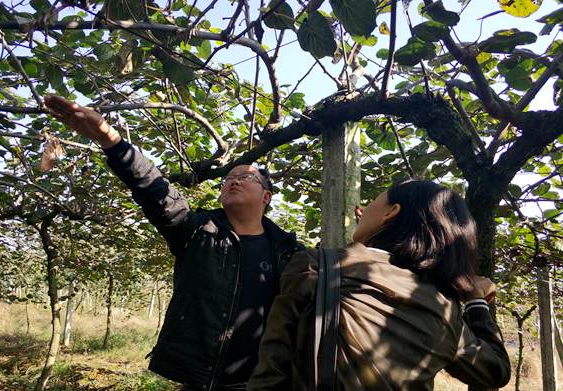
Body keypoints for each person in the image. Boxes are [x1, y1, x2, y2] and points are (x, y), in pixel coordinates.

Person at [44, 96, 303, 391]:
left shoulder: (289, 251)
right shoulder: (196, 232)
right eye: (228, 178)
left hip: (267, 381)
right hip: (201, 382)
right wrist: (110, 138)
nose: (233, 181)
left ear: (266, 197)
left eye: (245, 176)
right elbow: (155, 189)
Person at [247, 180, 511, 391]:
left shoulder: (316, 266)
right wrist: (476, 304)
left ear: (391, 213)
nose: (359, 210)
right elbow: (495, 371)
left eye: (373, 201)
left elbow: (272, 367)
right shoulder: (446, 310)